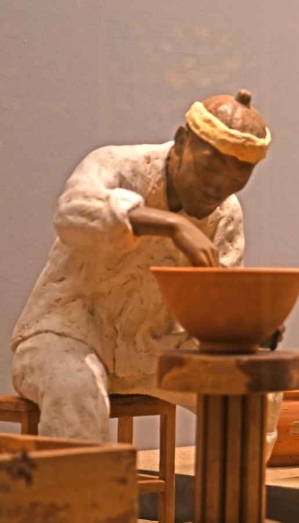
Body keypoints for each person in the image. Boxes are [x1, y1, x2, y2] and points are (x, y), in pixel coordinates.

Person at [10, 90, 282, 456]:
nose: (216, 188)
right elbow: (72, 211)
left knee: (254, 387)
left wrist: (249, 327)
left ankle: (232, 493)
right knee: (75, 387)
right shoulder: (117, 165)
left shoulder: (225, 213)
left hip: (148, 350)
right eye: (208, 168)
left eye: (236, 178)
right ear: (182, 141)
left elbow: (215, 303)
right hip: (63, 337)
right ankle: (82, 494)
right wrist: (171, 225)